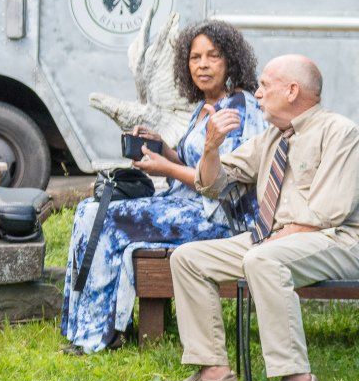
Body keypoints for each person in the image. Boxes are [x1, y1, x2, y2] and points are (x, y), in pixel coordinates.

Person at [160, 55, 359, 381]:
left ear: (292, 90)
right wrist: (211, 147)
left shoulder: (340, 132)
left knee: (263, 258)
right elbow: (214, 183)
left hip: (337, 240)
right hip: (275, 241)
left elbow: (329, 213)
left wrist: (271, 243)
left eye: (266, 85)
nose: (258, 92)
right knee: (188, 258)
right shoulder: (271, 138)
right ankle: (214, 373)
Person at [61, 21, 266, 352]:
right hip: (186, 202)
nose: (202, 64)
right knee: (89, 209)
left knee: (108, 219)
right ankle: (86, 324)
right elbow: (192, 163)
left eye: (212, 56)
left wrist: (165, 167)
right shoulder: (203, 107)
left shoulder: (239, 108)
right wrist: (162, 147)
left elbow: (223, 182)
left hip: (219, 218)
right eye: (195, 57)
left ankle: (97, 334)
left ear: (230, 60)